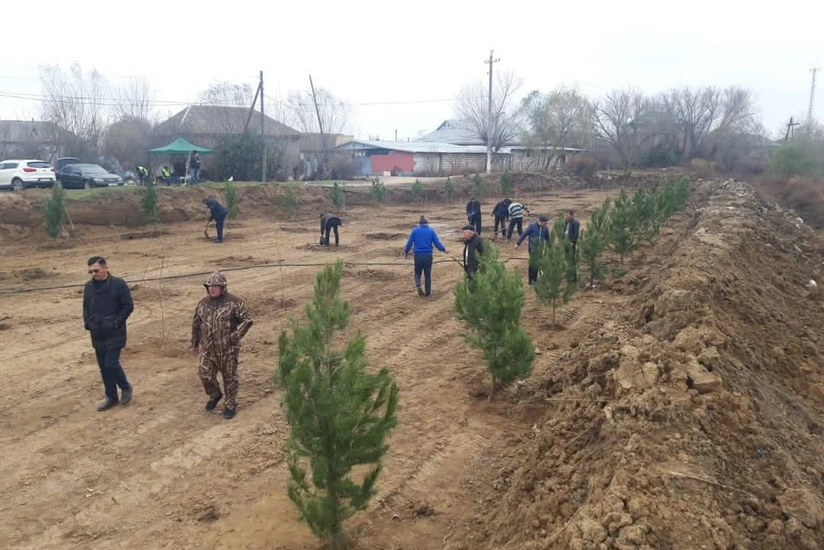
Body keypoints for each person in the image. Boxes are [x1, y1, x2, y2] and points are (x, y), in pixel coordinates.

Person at [191, 272, 254, 420]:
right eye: (209, 286)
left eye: (215, 286)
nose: (212, 289)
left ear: (222, 288)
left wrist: (235, 336)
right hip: (208, 350)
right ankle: (215, 395)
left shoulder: (234, 302)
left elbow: (247, 320)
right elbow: (196, 323)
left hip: (228, 350)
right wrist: (195, 343)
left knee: (230, 378)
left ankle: (230, 404)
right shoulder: (203, 303)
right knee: (204, 374)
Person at [82, 256, 134, 411]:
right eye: (90, 271)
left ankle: (125, 387)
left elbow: (128, 306)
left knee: (111, 364)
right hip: (97, 333)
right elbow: (85, 306)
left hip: (114, 332)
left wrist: (116, 322)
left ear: (105, 268)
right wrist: (88, 323)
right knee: (103, 367)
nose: (93, 274)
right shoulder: (89, 286)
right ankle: (111, 396)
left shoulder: (118, 284)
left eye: (96, 270)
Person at [403, 215, 448, 297]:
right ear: (427, 224)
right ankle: (428, 293)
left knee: (417, 272)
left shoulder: (414, 231)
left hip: (418, 256)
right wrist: (444, 250)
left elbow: (409, 243)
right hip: (428, 255)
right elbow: (437, 243)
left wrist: (406, 252)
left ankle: (418, 285)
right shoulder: (431, 231)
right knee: (427, 274)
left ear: (419, 224)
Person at [516, 214, 551, 285]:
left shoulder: (545, 228)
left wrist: (550, 247)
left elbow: (547, 238)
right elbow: (523, 235)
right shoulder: (532, 226)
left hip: (540, 248)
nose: (546, 224)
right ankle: (530, 279)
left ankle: (535, 279)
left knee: (537, 264)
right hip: (532, 248)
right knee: (532, 264)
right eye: (545, 222)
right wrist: (518, 243)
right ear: (540, 221)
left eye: (546, 223)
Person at [563, 209, 581, 282]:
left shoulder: (575, 222)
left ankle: (573, 278)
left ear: (571, 215)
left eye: (567, 215)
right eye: (565, 215)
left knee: (571, 260)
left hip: (571, 243)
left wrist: (573, 242)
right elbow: (564, 231)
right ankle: (568, 276)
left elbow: (576, 234)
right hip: (566, 242)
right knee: (567, 259)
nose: (566, 216)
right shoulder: (566, 222)